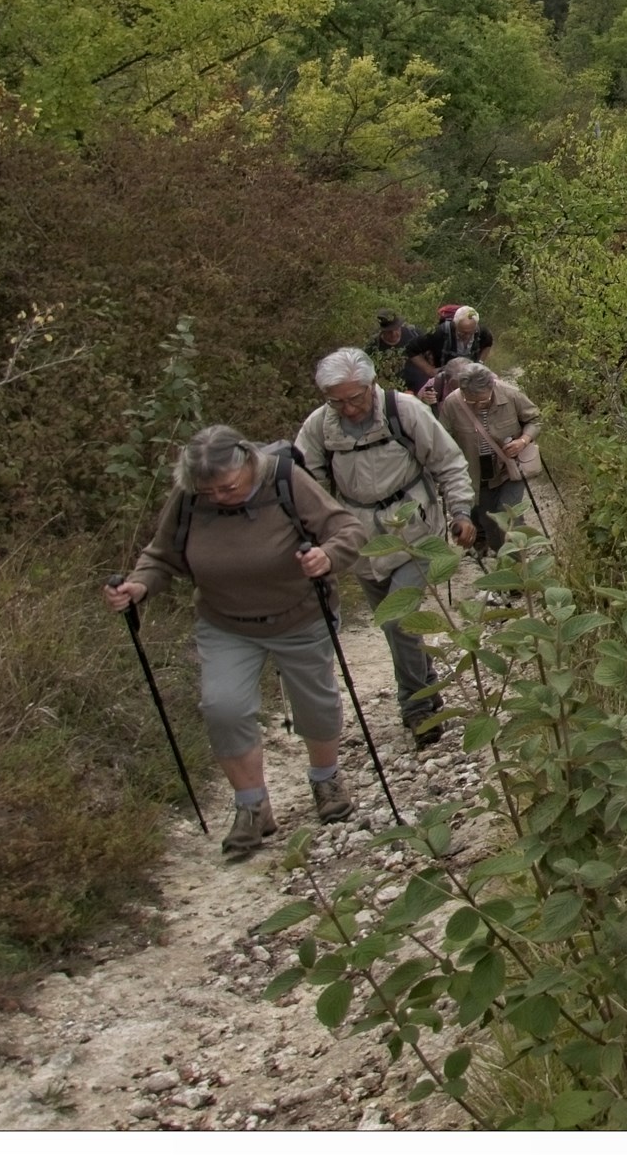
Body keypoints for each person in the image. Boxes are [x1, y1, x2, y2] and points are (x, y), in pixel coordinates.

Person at [105, 425, 366, 859]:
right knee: (222, 707)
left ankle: (326, 779)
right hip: (225, 622)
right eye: (209, 492)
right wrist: (137, 588)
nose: (219, 497)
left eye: (227, 488)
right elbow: (160, 556)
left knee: (315, 704)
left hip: (299, 615)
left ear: (248, 462)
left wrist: (328, 556)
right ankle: (252, 807)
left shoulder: (285, 479)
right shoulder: (191, 497)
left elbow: (347, 529)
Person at [296, 347, 478, 748]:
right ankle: (427, 688)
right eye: (337, 401)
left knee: (399, 620)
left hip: (416, 533)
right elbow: (304, 485)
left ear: (371, 385)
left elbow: (448, 462)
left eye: (355, 398)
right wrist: (310, 536)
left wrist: (461, 511)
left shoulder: (404, 411)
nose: (348, 408)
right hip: (361, 541)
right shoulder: (318, 427)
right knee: (395, 627)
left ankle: (416, 708)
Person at [434, 360, 542, 542]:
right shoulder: (452, 404)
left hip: (509, 469)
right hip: (477, 474)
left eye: (482, 400)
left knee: (508, 515)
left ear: (492, 386)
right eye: (471, 401)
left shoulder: (510, 394)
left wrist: (523, 441)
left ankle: (519, 563)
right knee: (489, 522)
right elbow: (443, 440)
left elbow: (535, 419)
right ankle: (503, 560)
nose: (477, 406)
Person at [401, 306, 492, 401]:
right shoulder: (440, 333)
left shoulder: (481, 332)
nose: (467, 336)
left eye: (471, 333)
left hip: (470, 379)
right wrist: (430, 371)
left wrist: (480, 362)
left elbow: (488, 343)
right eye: (463, 333)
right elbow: (411, 349)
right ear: (455, 325)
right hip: (445, 381)